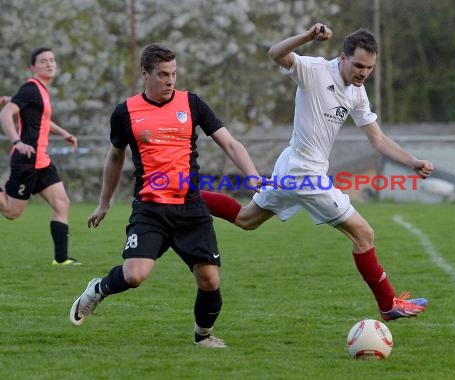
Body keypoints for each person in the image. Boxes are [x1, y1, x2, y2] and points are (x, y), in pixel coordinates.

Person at [200, 23, 434, 322]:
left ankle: (182, 193)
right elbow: (275, 53)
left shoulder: (357, 92)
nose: (364, 73)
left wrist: (412, 162)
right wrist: (308, 37)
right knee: (364, 233)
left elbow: (378, 139)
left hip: (292, 167)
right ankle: (388, 304)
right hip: (304, 174)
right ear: (342, 57)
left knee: (247, 220)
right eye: (359, 65)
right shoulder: (314, 70)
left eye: (370, 67)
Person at [69, 43, 261, 348]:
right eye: (163, 75)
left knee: (210, 280)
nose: (170, 81)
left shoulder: (192, 103)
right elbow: (115, 158)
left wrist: (252, 175)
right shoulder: (126, 112)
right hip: (150, 209)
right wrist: (104, 203)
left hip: (190, 208)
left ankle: (203, 337)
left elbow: (230, 143)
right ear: (144, 74)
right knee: (134, 275)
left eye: (173, 73)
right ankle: (98, 289)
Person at [0, 47, 80, 266]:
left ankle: (61, 260)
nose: (49, 64)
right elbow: (5, 114)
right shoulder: (31, 89)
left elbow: (42, 119)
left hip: (42, 161)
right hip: (26, 160)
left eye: (52, 60)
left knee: (62, 204)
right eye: (43, 61)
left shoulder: (42, 91)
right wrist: (17, 141)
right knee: (11, 212)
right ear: (33, 67)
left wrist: (64, 133)